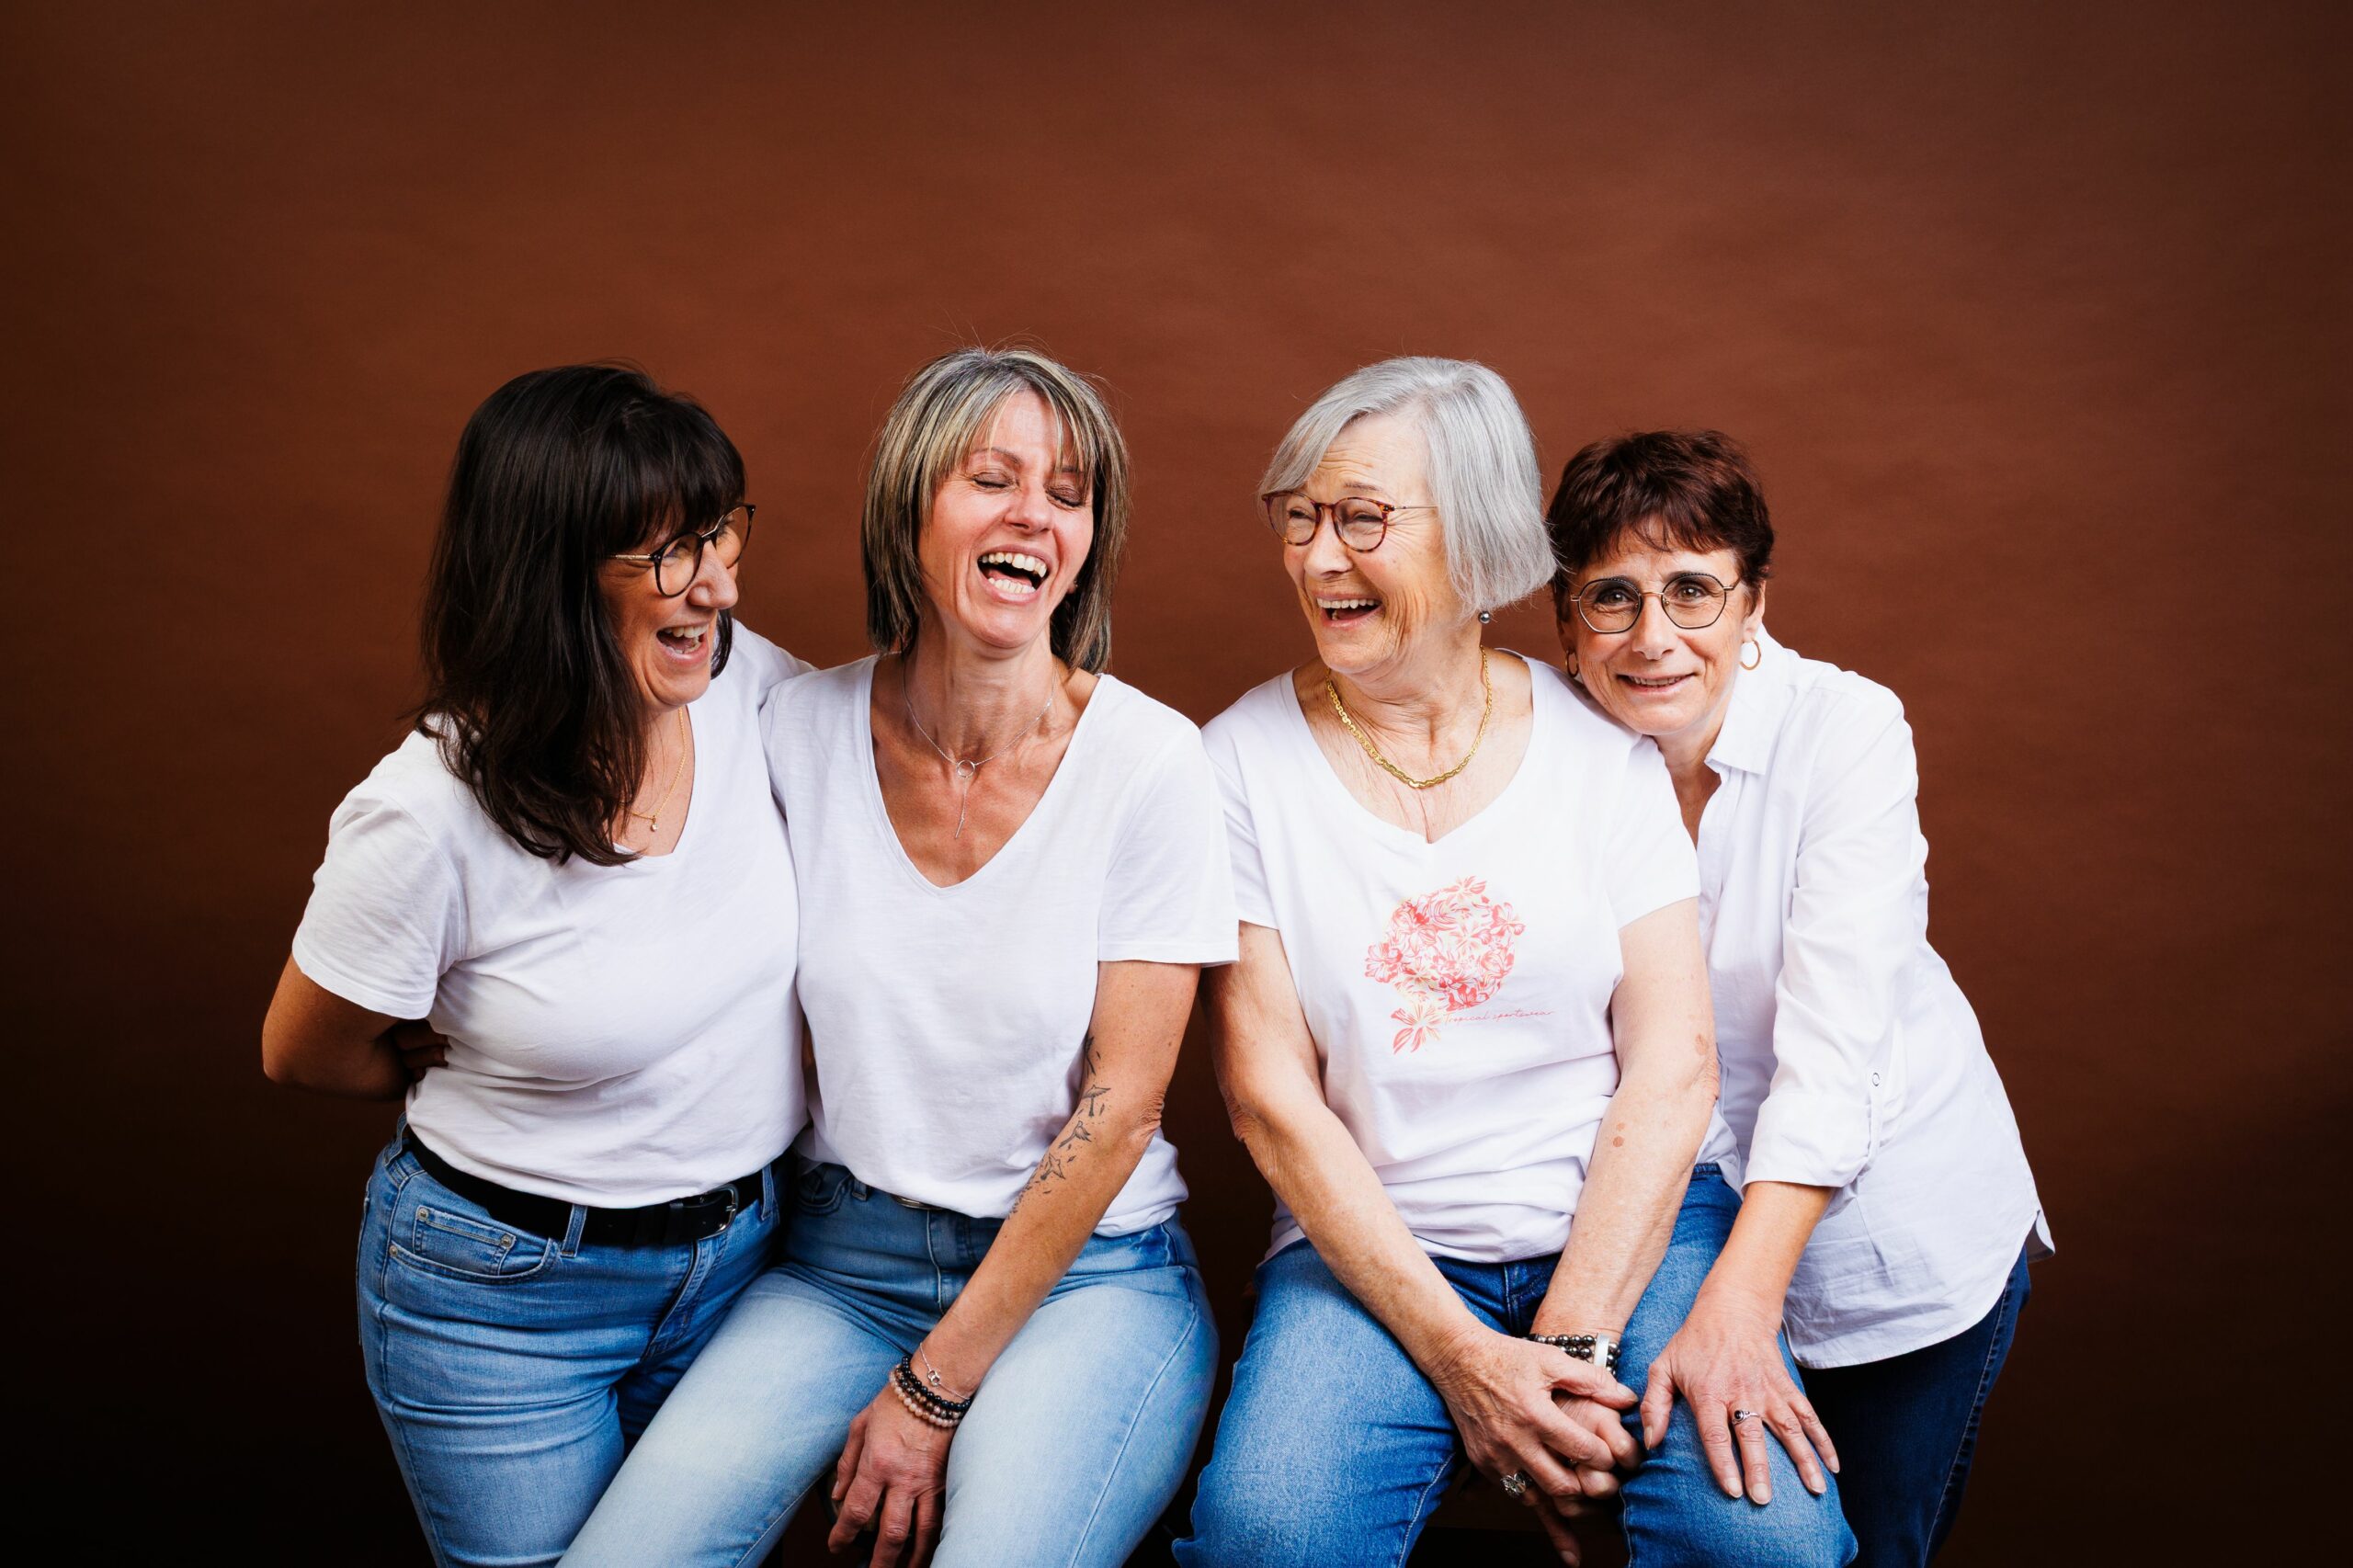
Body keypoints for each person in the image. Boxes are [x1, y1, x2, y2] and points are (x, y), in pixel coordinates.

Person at [563, 347, 1235, 1568]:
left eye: (1070, 493)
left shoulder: (1153, 761)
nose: (1037, 512)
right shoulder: (790, 726)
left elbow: (1124, 1107)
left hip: (1089, 1276)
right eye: (993, 477)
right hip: (839, 1264)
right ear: (909, 507)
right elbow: (597, 742)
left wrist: (931, 1393)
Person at [1175, 358, 1853, 1568]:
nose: (1321, 558)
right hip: (1379, 1248)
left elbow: (1675, 1061)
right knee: (1267, 1535)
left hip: (1629, 1224)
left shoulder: (1603, 745)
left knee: (1770, 1546)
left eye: (1365, 519)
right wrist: (1465, 1359)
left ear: (1478, 535)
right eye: (1303, 519)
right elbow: (1267, 1099)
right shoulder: (1235, 767)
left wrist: (1576, 1347)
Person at [258, 364, 808, 1568]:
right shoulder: (424, 815)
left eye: (722, 532)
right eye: (669, 551)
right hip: (503, 1296)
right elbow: (303, 1051)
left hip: (742, 1267)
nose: (717, 582)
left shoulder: (743, 683)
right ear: (551, 575)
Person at [1547, 428, 2050, 1566]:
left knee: (1868, 1549)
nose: (1653, 637)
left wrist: (1734, 1308)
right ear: (1564, 618)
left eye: (1692, 590)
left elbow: (1833, 1056)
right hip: (1669, 1230)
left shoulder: (1847, 728)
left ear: (1753, 602)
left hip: (1892, 1238)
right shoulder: (1547, 750)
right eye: (1612, 596)